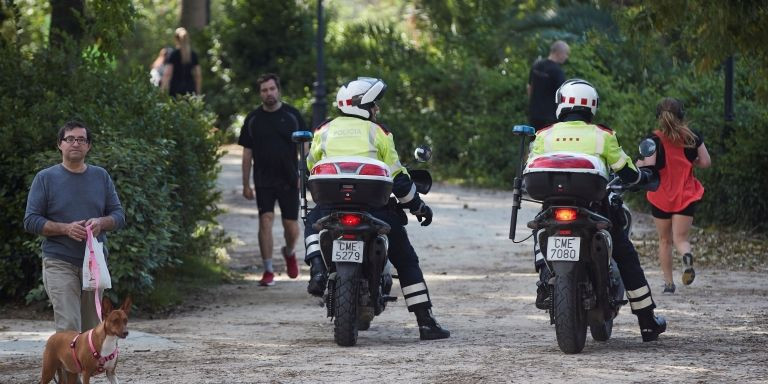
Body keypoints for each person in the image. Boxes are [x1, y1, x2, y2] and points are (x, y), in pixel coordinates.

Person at [302, 77, 450, 341]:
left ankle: (317, 270)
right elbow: (399, 178)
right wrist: (418, 207)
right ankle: (425, 322)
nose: (377, 110)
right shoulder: (378, 132)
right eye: (374, 104)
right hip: (374, 208)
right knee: (406, 260)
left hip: (331, 204)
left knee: (311, 222)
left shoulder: (323, 129)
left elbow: (311, 166)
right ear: (362, 106)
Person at [530, 79, 666, 342]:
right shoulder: (603, 135)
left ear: (561, 104)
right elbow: (626, 171)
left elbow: (532, 166)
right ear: (591, 107)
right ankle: (647, 321)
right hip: (594, 207)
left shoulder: (544, 135)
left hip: (553, 206)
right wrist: (641, 178)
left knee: (539, 230)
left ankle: (545, 280)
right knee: (625, 254)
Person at [23, 120, 126, 334]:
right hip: (59, 261)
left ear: (88, 146)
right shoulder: (45, 178)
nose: (75, 143)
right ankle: (68, 368)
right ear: (60, 144)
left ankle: (84, 369)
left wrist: (101, 222)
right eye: (70, 139)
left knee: (92, 330)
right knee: (69, 326)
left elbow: (118, 215)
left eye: (81, 139)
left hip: (94, 264)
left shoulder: (101, 176)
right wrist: (65, 228)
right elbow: (31, 220)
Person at [636, 97, 711, 294]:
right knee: (681, 239)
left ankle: (669, 284)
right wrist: (690, 161)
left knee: (664, 240)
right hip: (686, 194)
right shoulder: (692, 137)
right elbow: (705, 162)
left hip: (661, 196)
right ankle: (686, 256)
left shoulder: (653, 140)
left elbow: (649, 165)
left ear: (659, 117)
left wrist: (637, 165)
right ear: (681, 115)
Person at [238, 73, 306, 286]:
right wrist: (246, 184)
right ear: (260, 94)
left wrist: (303, 175)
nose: (269, 93)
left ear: (278, 90)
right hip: (263, 179)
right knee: (265, 220)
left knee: (291, 226)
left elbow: (305, 148)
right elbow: (247, 154)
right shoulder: (253, 119)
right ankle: (268, 270)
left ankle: (289, 251)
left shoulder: (293, 115)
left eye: (272, 89)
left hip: (289, 178)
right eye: (264, 90)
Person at [527, 40, 570, 131]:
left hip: (534, 114)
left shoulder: (536, 65)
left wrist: (533, 105)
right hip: (550, 118)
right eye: (566, 54)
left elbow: (529, 87)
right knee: (547, 144)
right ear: (559, 53)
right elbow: (562, 96)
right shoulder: (558, 72)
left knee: (534, 142)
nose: (566, 57)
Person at [161, 27, 202, 97]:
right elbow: (198, 75)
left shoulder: (173, 54)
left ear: (176, 39)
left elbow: (167, 74)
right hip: (190, 91)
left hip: (175, 91)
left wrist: (163, 91)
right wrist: (198, 92)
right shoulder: (193, 54)